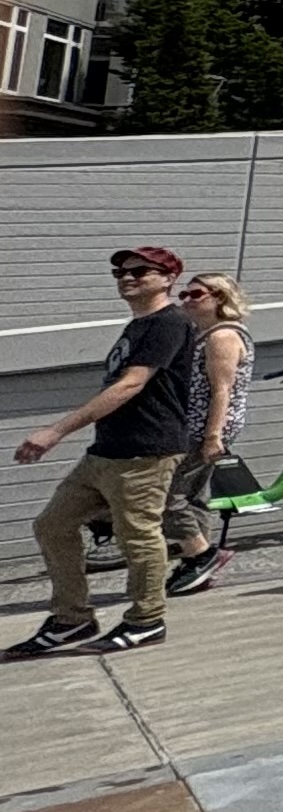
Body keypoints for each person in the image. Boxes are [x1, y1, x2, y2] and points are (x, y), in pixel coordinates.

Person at [10, 248, 200, 658]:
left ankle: (146, 621)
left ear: (168, 278)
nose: (126, 278)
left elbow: (131, 384)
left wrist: (56, 430)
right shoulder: (139, 325)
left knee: (139, 536)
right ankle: (71, 618)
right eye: (120, 272)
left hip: (145, 452)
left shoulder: (169, 324)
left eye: (139, 271)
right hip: (107, 450)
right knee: (52, 525)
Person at [162, 270, 257, 596]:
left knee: (166, 496)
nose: (186, 300)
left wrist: (212, 436)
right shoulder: (203, 334)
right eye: (184, 295)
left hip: (203, 428)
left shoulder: (223, 337)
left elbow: (221, 390)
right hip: (195, 425)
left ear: (220, 298)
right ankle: (197, 567)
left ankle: (202, 556)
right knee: (193, 496)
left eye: (196, 294)